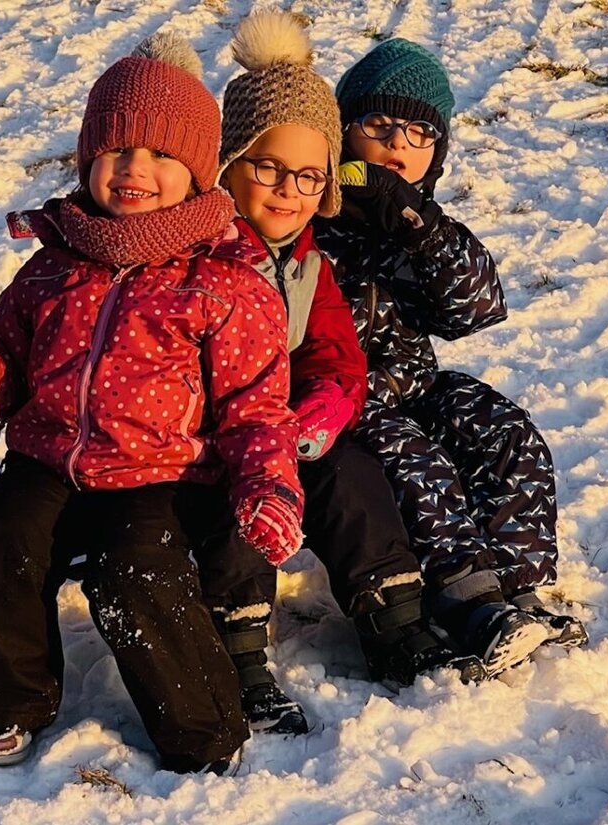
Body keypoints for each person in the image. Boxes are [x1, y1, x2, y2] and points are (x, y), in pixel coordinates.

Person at [0, 33, 306, 774]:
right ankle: (5, 702)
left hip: (162, 477)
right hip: (49, 461)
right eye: (117, 149)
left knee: (135, 571)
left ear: (196, 174)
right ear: (87, 159)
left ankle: (203, 728)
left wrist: (268, 484)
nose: (135, 169)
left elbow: (256, 408)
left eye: (161, 155)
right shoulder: (52, 267)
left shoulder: (223, 280)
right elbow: (11, 382)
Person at [194, 10, 488, 736]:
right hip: (211, 432)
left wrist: (329, 400)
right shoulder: (200, 253)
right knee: (246, 496)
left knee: (353, 478)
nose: (287, 190)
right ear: (228, 166)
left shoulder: (306, 259)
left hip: (296, 421)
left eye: (307, 177)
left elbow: (337, 348)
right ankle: (239, 654)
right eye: (267, 169)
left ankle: (398, 620)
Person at [313, 37, 588, 676]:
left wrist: (418, 224)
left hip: (416, 386)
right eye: (378, 125)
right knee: (415, 459)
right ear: (343, 133)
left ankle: (517, 590)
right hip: (347, 402)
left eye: (420, 134)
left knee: (502, 429)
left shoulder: (421, 224)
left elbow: (476, 308)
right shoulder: (311, 217)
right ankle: (468, 601)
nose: (398, 144)